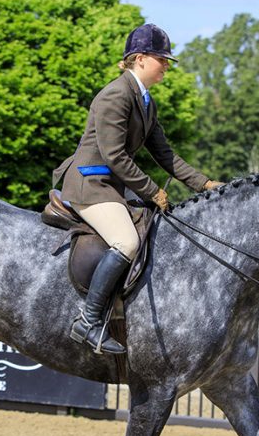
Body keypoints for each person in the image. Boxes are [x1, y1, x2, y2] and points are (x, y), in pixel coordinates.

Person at [52, 23, 222, 355]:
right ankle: (88, 321)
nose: (167, 66)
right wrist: (152, 190)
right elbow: (114, 155)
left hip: (113, 184)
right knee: (127, 241)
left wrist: (204, 184)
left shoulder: (145, 101)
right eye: (163, 59)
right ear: (141, 59)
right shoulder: (116, 95)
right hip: (92, 183)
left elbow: (165, 154)